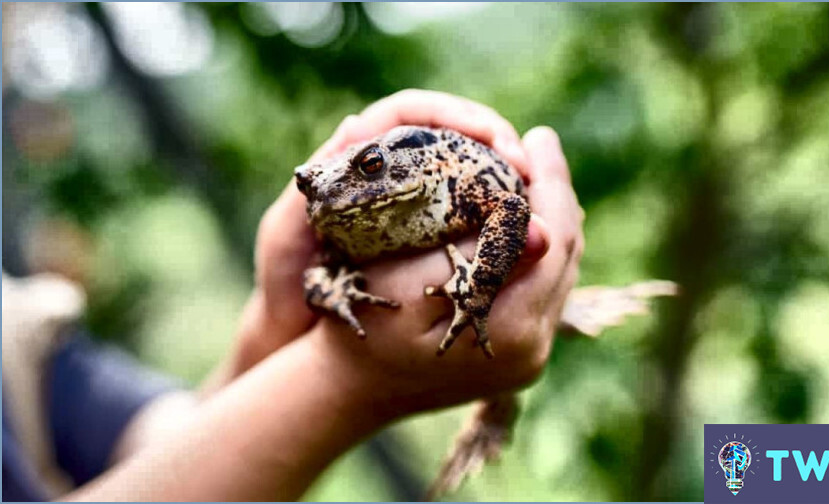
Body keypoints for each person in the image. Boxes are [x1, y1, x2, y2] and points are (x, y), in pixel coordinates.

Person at [3, 90, 585, 501]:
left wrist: (269, 332)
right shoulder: (338, 232)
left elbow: (509, 208)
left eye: (368, 168)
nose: (327, 194)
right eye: (311, 187)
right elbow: (319, 282)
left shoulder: (24, 336)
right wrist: (342, 374)